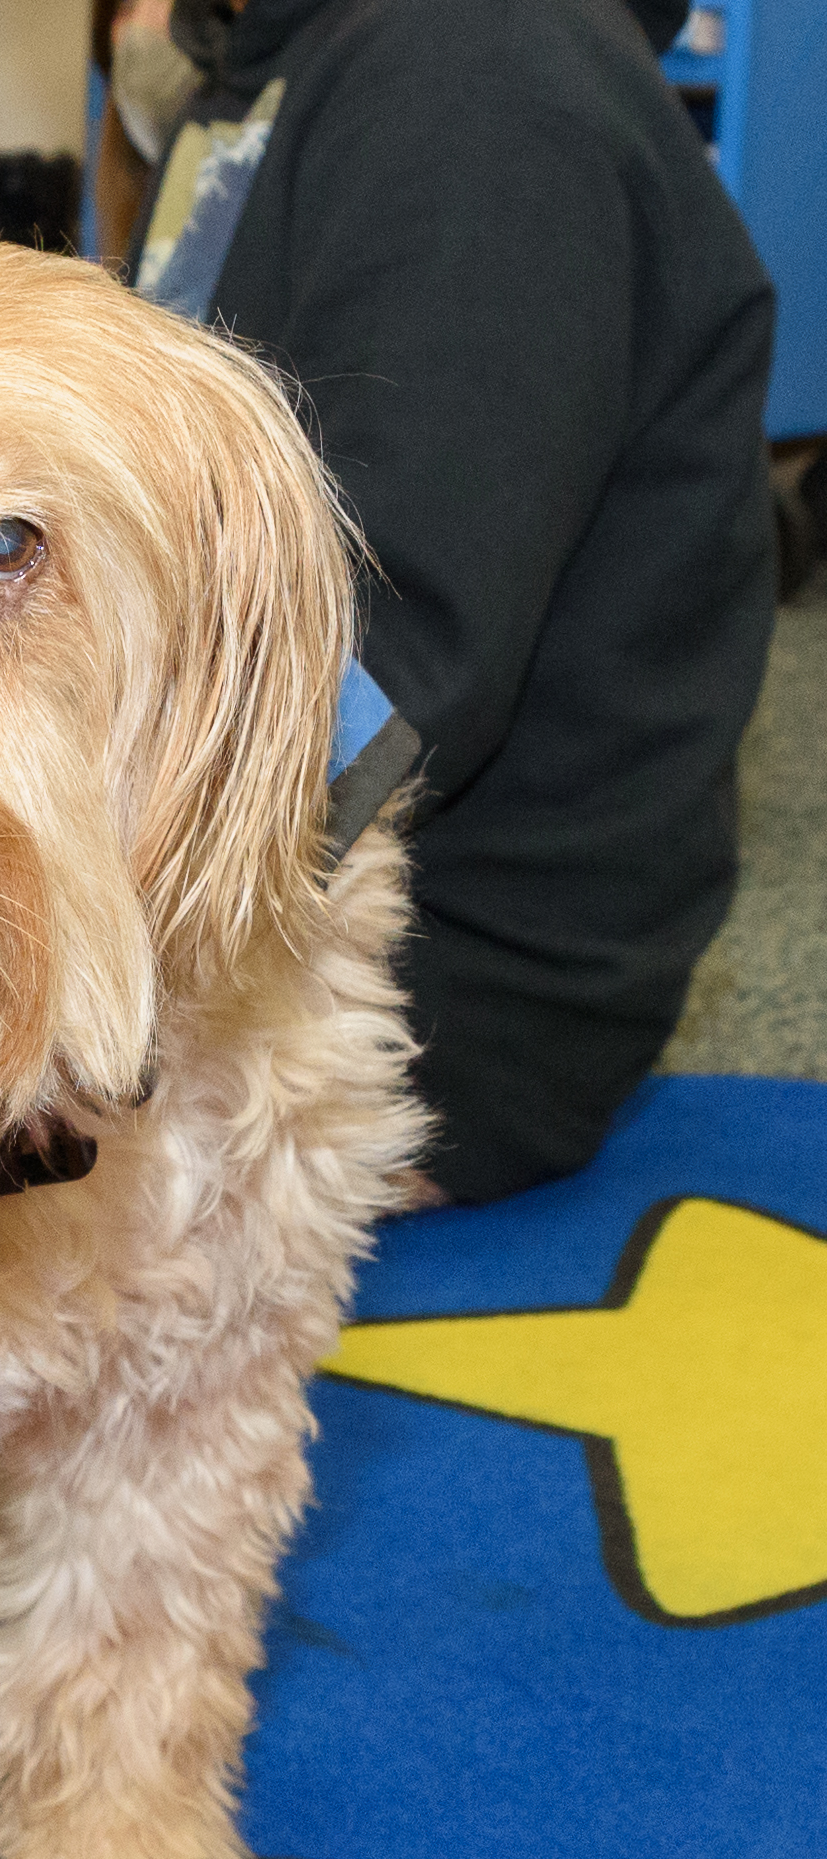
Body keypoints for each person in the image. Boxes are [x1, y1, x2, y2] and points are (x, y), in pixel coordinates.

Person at [115, 0, 776, 1204]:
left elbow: (389, 659)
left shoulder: (479, 77)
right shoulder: (281, 63)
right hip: (263, 863)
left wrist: (24, 920)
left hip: (434, 980)